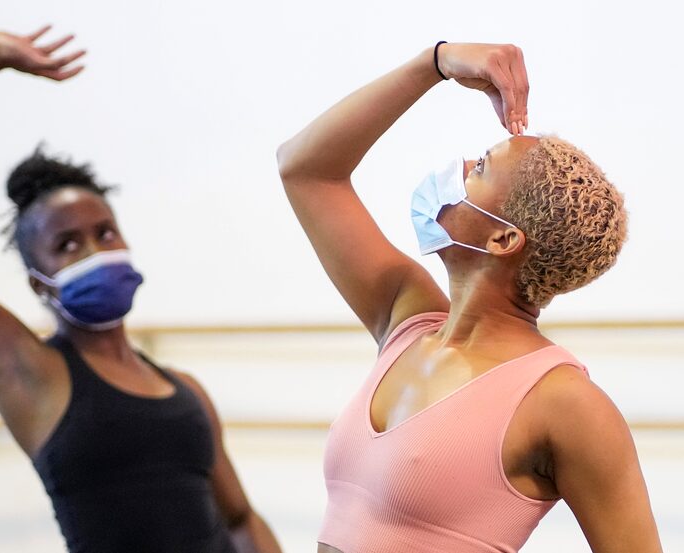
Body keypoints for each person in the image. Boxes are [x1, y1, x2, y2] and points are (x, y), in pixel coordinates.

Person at [0, 26, 281, 553]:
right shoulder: (28, 373)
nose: (94, 250)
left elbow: (240, 518)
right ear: (38, 281)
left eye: (104, 232)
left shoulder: (187, 390)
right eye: (67, 245)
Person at [277, 41, 663, 552]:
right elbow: (304, 170)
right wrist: (434, 62)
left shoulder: (564, 403)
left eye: (479, 167)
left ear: (503, 239)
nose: (457, 168)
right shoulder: (407, 318)